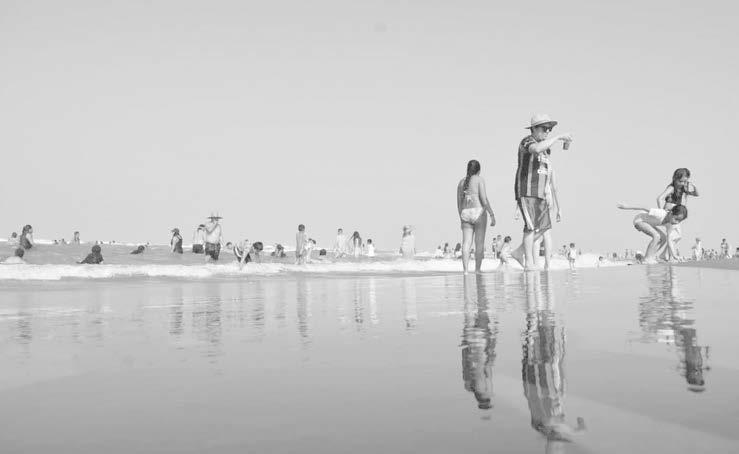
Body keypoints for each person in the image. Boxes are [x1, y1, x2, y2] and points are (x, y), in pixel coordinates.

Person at [512, 114, 572, 270]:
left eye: (550, 129)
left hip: (541, 194)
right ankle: (529, 263)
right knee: (530, 227)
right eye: (545, 128)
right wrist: (559, 137)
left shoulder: (546, 149)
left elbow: (550, 171)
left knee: (545, 227)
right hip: (527, 191)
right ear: (534, 129)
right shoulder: (527, 141)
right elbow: (536, 149)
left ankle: (519, 252)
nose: (548, 132)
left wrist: (566, 142)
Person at [457, 160, 497, 274]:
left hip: (465, 213)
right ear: (479, 170)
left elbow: (459, 203)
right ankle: (477, 270)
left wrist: (461, 218)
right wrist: (491, 214)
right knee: (479, 243)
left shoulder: (461, 182)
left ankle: (465, 271)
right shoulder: (479, 179)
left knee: (466, 243)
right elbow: (484, 199)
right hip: (478, 212)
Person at [617, 203, 688, 263]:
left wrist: (674, 255)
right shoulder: (661, 213)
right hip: (639, 220)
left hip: (647, 223)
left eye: (679, 221)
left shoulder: (670, 224)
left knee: (664, 238)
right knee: (656, 236)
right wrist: (626, 207)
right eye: (676, 219)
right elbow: (643, 207)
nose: (677, 222)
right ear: (671, 213)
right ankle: (647, 258)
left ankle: (650, 256)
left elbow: (669, 240)